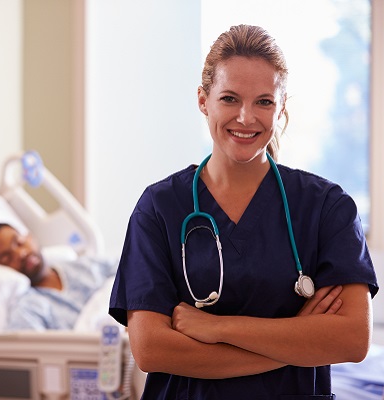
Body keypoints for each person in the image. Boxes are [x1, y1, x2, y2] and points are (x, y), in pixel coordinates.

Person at [109, 24, 379, 399]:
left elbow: (351, 339)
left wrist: (219, 328)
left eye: (264, 102)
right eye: (230, 99)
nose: (246, 117)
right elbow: (151, 350)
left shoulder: (327, 207)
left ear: (281, 106)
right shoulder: (159, 208)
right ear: (204, 100)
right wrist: (295, 341)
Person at [0, 223, 116, 330]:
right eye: (7, 258)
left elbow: (131, 271)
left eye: (19, 242)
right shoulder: (29, 310)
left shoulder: (86, 265)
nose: (21, 254)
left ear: (30, 237)